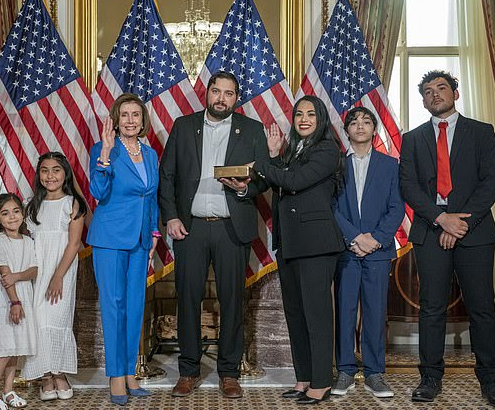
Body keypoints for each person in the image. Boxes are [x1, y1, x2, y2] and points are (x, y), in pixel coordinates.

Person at [399, 70, 495, 408]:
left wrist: (459, 223)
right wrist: (441, 219)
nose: (435, 95)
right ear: (423, 100)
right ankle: (430, 379)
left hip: (474, 231)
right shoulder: (412, 138)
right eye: (428, 91)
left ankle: (491, 382)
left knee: (482, 308)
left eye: (442, 88)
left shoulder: (481, 132)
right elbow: (409, 186)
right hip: (430, 230)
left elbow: (491, 181)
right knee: (431, 308)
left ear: (455, 94)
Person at [159, 71, 269, 399]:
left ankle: (229, 372)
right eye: (216, 91)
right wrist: (172, 217)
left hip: (230, 228)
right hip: (190, 228)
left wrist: (243, 187)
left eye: (229, 93)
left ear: (237, 98)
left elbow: (263, 178)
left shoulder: (252, 130)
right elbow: (167, 176)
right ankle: (189, 370)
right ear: (207, 93)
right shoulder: (183, 126)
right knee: (188, 299)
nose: (221, 98)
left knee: (232, 301)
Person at [250, 95, 344, 404]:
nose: (303, 119)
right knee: (296, 315)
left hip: (316, 245)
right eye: (299, 114)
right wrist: (276, 156)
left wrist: (263, 162)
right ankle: (303, 378)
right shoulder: (294, 151)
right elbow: (283, 178)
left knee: (316, 316)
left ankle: (321, 382)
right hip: (289, 244)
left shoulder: (328, 150)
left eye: (310, 114)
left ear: (320, 120)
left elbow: (295, 182)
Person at [87, 93, 159, 406]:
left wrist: (154, 232)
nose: (130, 120)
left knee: (134, 307)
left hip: (141, 240)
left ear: (143, 121)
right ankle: (116, 377)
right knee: (114, 306)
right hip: (110, 238)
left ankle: (130, 373)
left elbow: (151, 196)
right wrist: (104, 153)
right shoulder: (104, 150)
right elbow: (98, 192)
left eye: (135, 115)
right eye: (125, 115)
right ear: (116, 120)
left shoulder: (151, 153)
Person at [331, 106, 405, 398]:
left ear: (374, 130)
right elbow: (331, 207)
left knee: (375, 313)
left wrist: (375, 239)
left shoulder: (390, 165)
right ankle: (345, 371)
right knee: (345, 311)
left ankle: (375, 373)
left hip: (377, 251)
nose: (360, 126)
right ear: (346, 130)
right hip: (346, 251)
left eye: (366, 121)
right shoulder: (335, 164)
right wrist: (354, 238)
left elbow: (397, 207)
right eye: (354, 122)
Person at [21, 151, 87, 401]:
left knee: (58, 320)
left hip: (61, 270)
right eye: (45, 170)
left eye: (56, 170)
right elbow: (29, 241)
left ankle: (60, 373)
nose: (50, 175)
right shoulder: (33, 205)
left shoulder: (72, 203)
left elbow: (73, 244)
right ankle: (45, 376)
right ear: (39, 175)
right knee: (38, 322)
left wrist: (58, 276)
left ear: (65, 174)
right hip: (38, 271)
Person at [0, 193, 38, 410]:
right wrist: (15, 303)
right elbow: (5, 275)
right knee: (4, 348)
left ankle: (8, 389)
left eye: (15, 211)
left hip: (24, 294)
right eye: (5, 213)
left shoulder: (29, 241)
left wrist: (18, 276)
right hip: (7, 298)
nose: (12, 217)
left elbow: (34, 270)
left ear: (22, 215)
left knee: (16, 347)